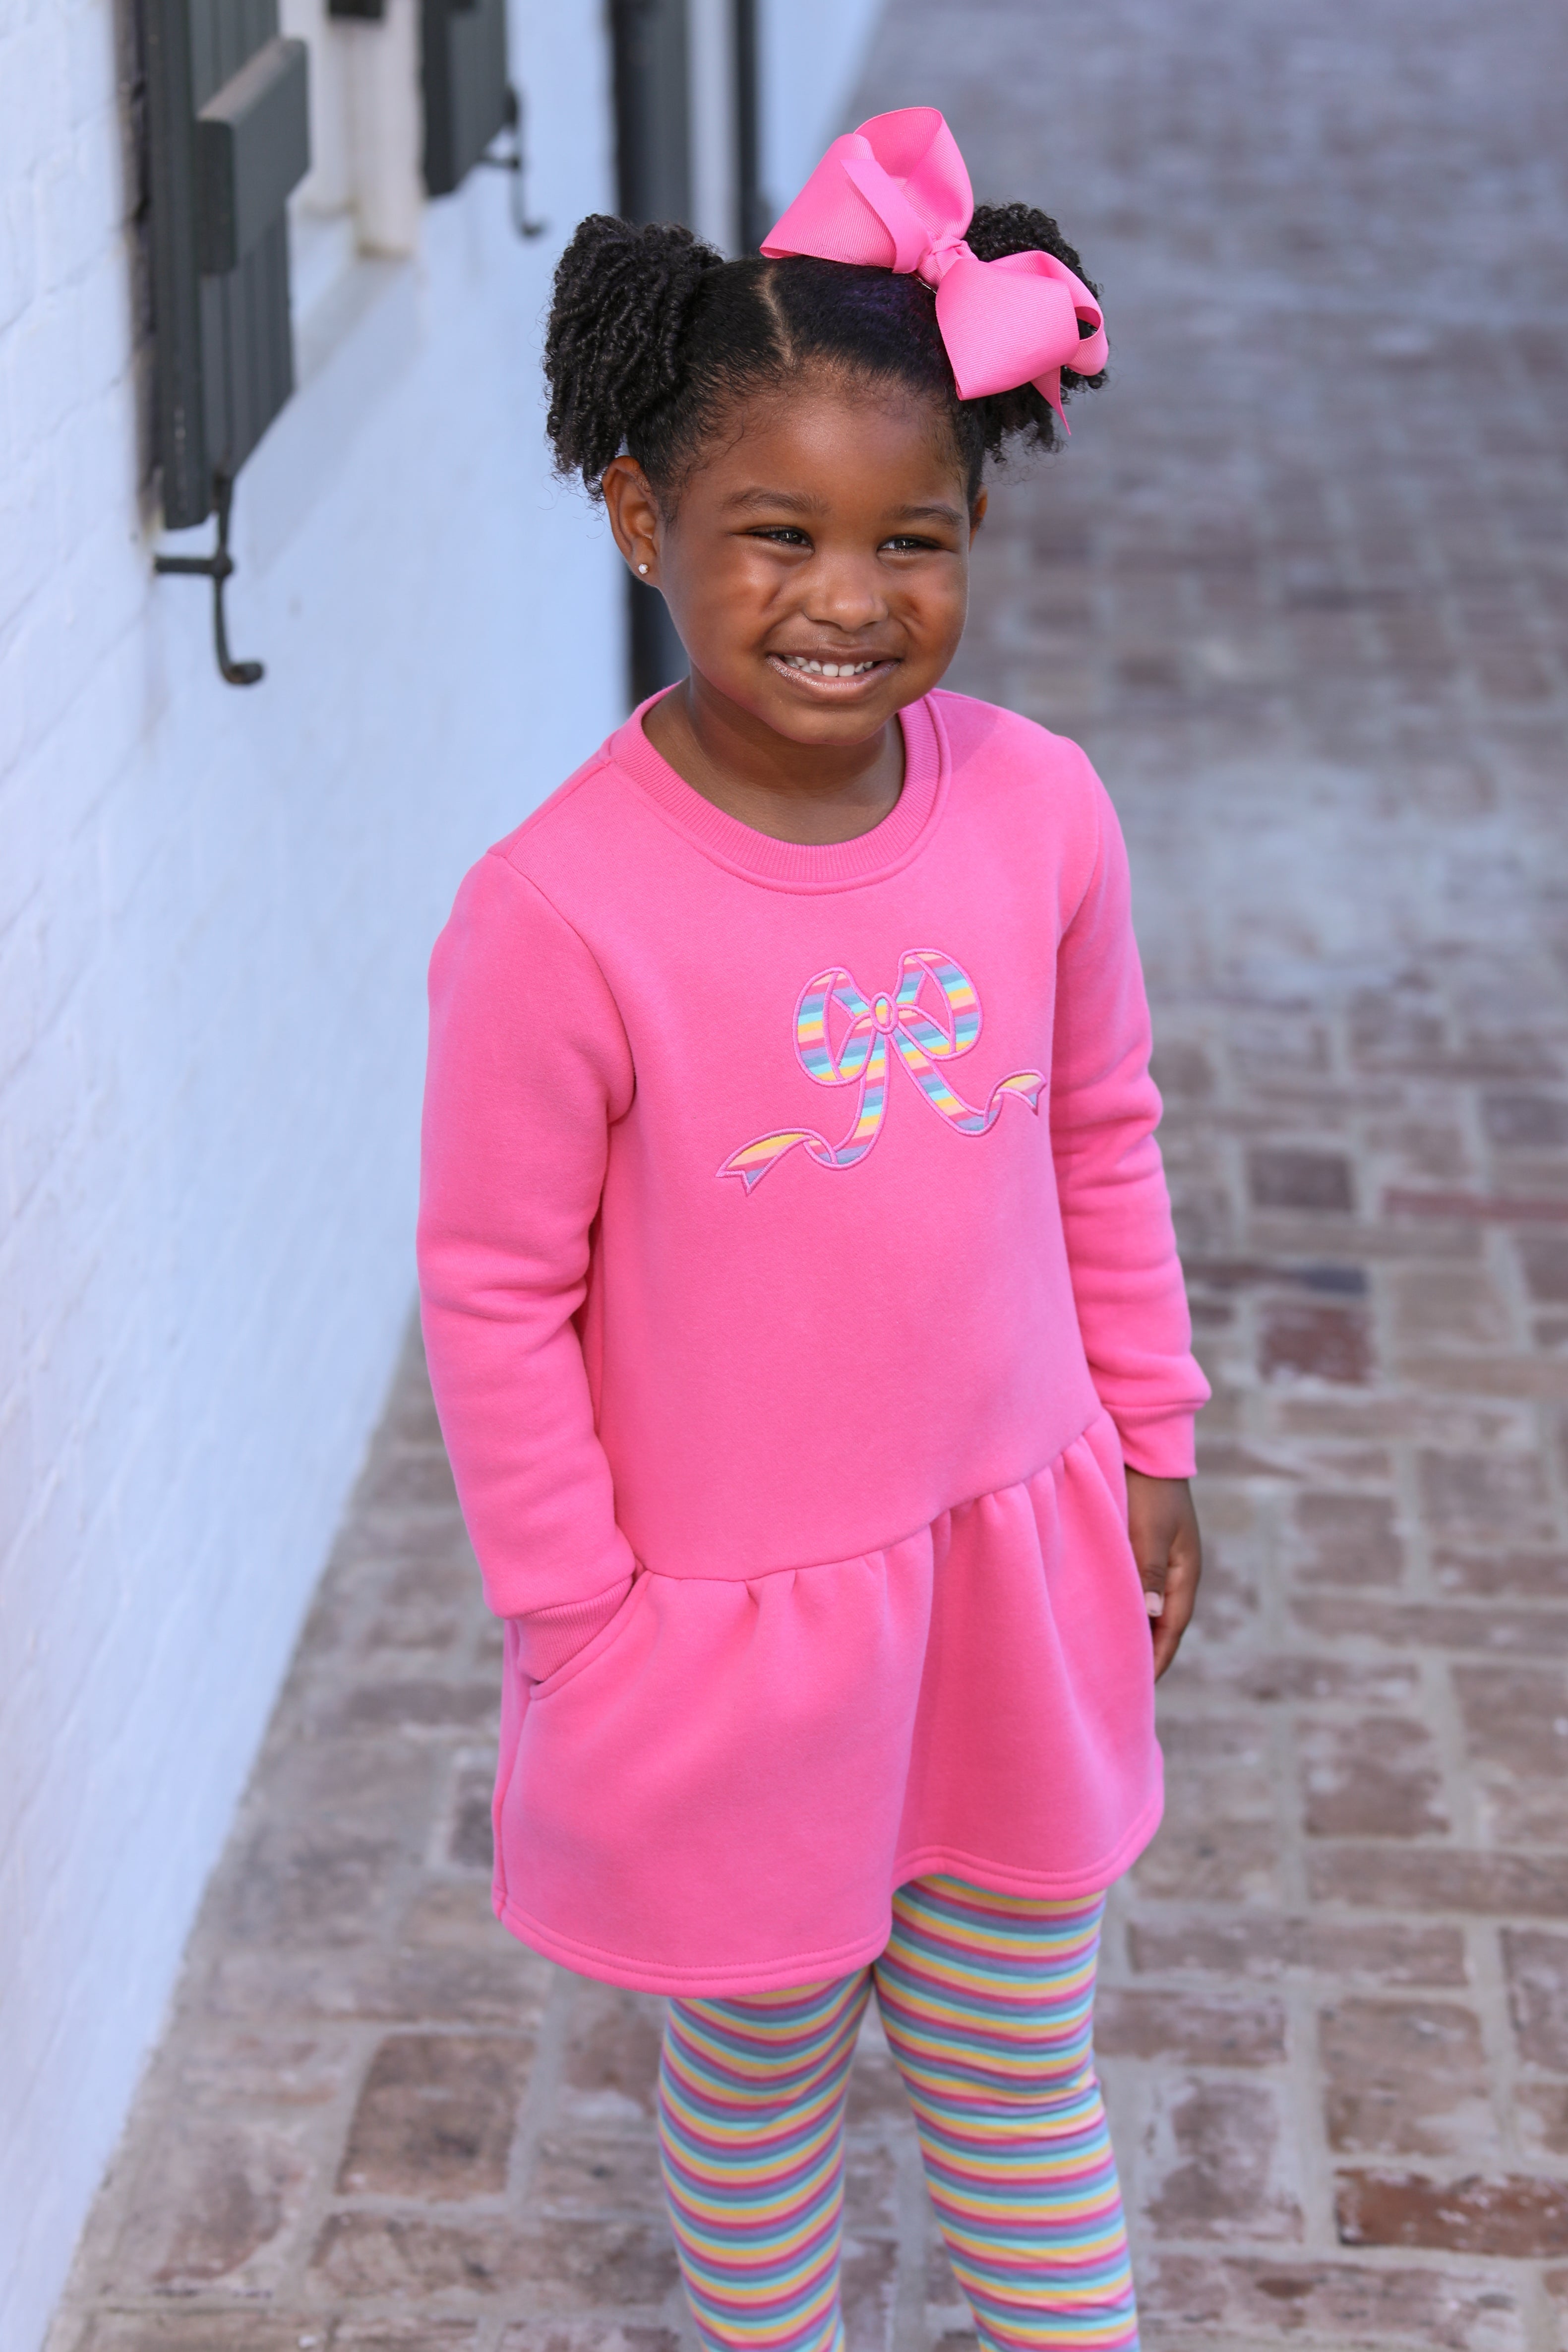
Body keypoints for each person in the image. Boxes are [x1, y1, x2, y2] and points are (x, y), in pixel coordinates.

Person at [419, 106, 1206, 2352]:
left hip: (1004, 1572)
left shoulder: (1037, 811)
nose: (848, 599)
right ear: (640, 517)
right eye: (777, 534)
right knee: (758, 2089)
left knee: (1015, 2068)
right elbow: (495, 1294)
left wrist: (1150, 1439)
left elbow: (1101, 1135)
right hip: (726, 1644)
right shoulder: (558, 914)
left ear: (972, 532)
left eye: (909, 540)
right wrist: (577, 1619)